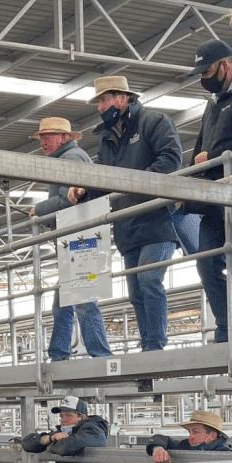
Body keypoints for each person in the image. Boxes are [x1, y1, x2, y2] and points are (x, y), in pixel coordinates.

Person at [67, 75, 183, 353]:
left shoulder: (153, 122)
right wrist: (85, 192)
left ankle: (155, 344)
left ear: (121, 98)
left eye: (103, 100)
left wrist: (134, 187)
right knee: (135, 293)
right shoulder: (106, 140)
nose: (99, 107)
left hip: (156, 219)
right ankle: (148, 345)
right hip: (127, 226)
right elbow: (105, 182)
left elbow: (170, 159)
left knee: (149, 280)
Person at [185, 39, 232, 343]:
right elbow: (199, 148)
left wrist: (211, 156)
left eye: (207, 70)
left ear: (225, 66)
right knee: (206, 261)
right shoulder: (211, 103)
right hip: (213, 196)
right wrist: (192, 173)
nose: (204, 77)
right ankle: (227, 327)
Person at [28, 116, 113, 362]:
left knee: (84, 298)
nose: (43, 142)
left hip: (81, 238)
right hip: (76, 238)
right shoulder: (65, 159)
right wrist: (52, 218)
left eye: (48, 136)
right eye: (41, 137)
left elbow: (70, 198)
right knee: (66, 301)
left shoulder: (71, 159)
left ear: (65, 137)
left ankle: (100, 354)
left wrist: (40, 210)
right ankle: (59, 352)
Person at [21, 398, 109, 463]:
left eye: (68, 415)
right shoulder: (62, 432)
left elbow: (66, 447)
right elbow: (26, 443)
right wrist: (50, 438)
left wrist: (50, 446)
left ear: (82, 417)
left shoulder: (94, 430)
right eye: (61, 416)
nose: (63, 419)